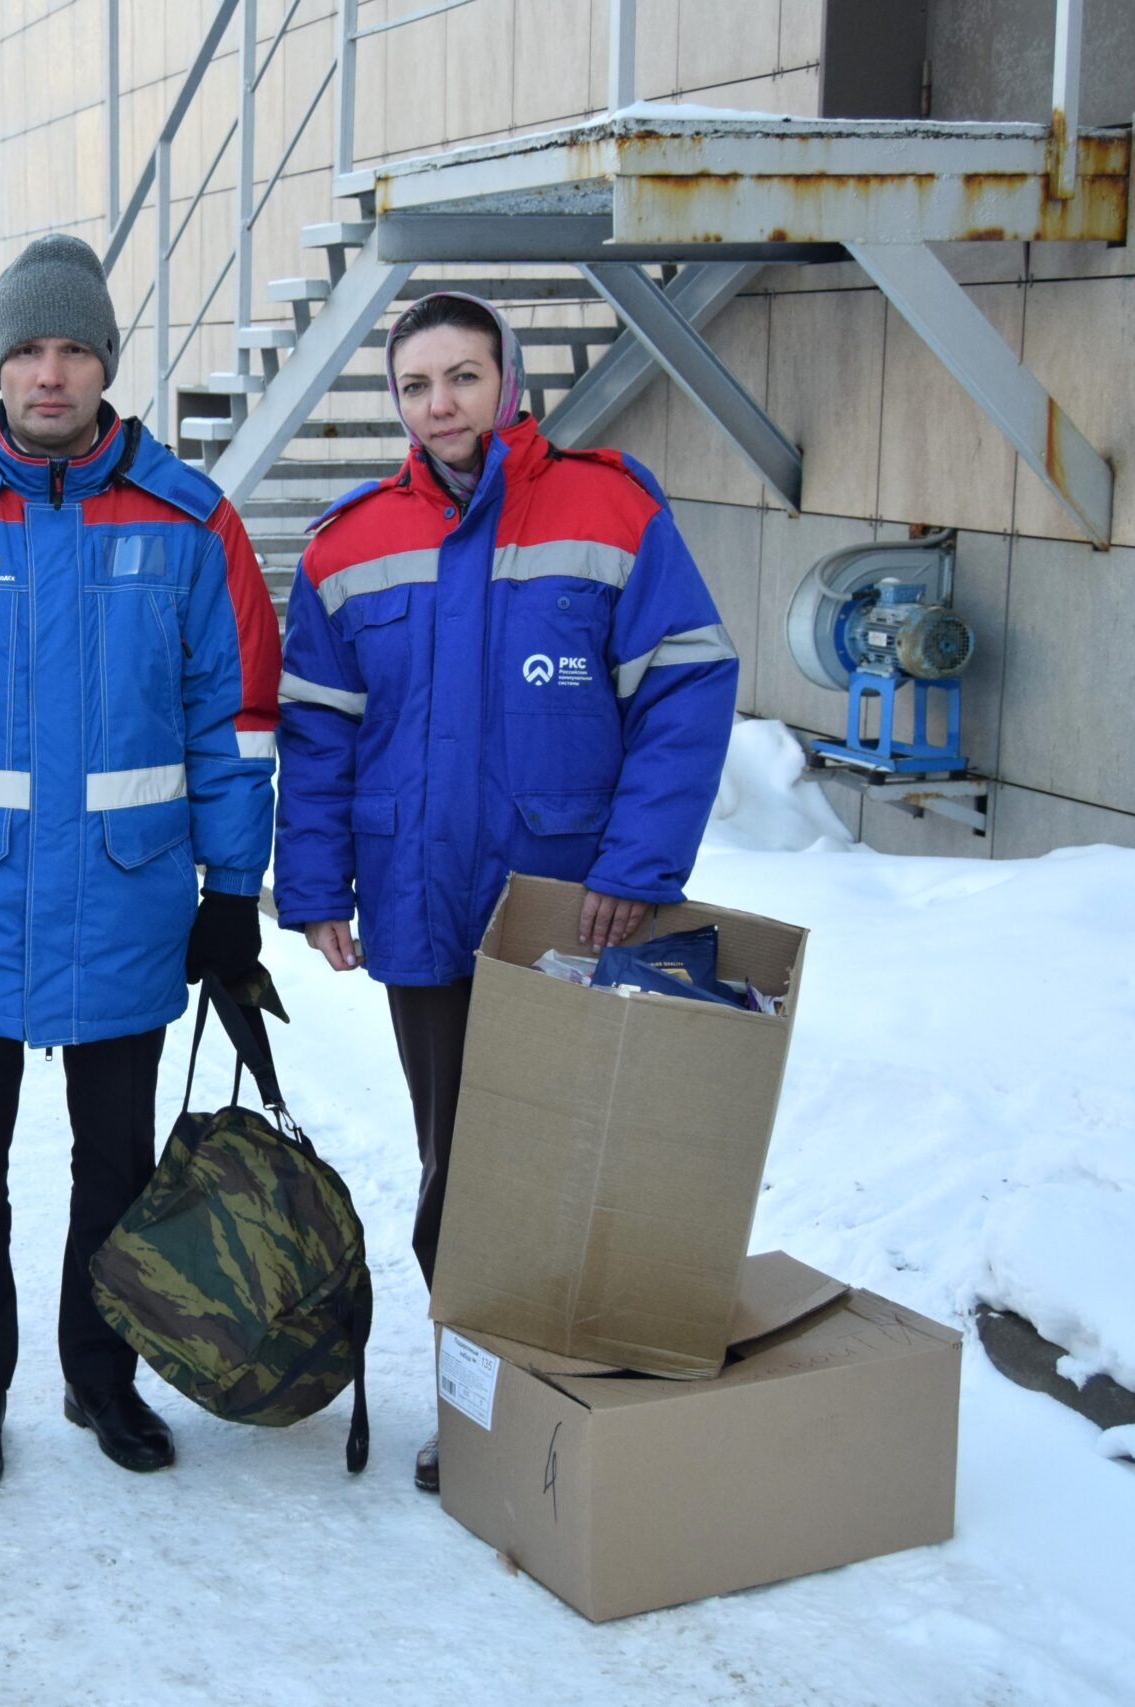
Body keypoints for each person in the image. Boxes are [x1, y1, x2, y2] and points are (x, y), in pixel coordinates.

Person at [0, 234, 282, 1489]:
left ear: (106, 365)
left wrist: (232, 895)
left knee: (116, 1171)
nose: (50, 374)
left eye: (74, 348)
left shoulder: (191, 524)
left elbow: (232, 727)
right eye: (27, 348)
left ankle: (102, 1379)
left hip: (127, 906)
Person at [273, 290, 738, 1494]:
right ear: (397, 400)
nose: (443, 403)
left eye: (464, 376)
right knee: (461, 1166)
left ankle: (582, 1396)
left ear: (508, 381)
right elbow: (318, 735)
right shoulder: (346, 543)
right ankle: (478, 1400)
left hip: (565, 903)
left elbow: (683, 690)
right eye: (419, 383)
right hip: (421, 903)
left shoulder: (606, 507)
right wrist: (317, 883)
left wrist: (637, 869)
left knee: (565, 1161)